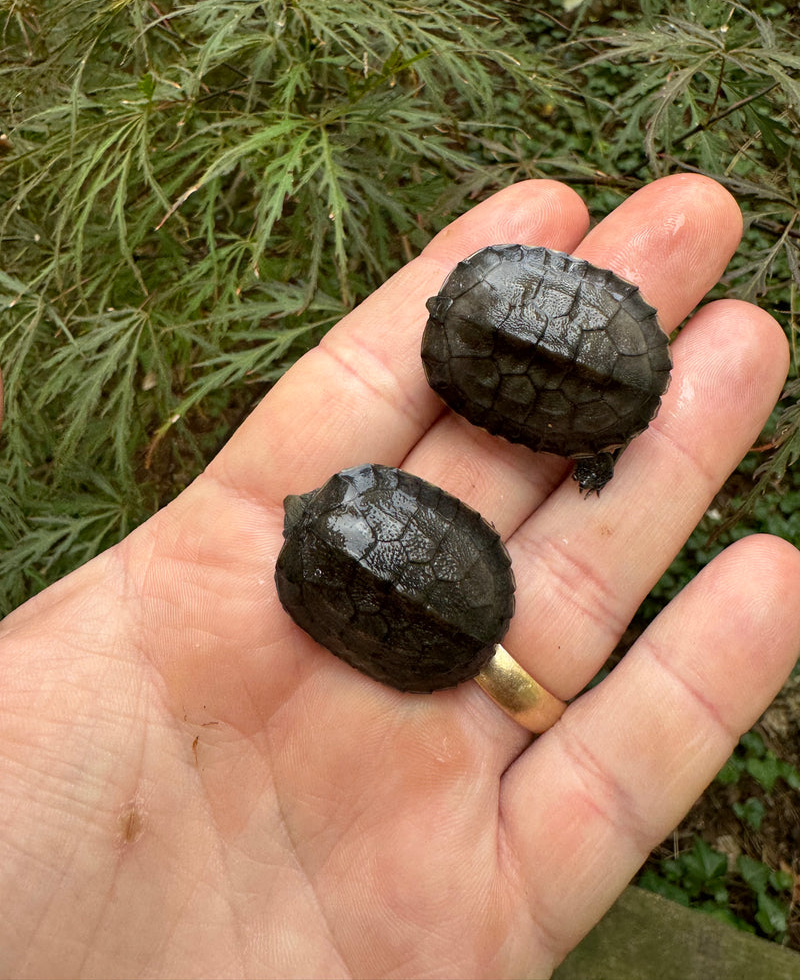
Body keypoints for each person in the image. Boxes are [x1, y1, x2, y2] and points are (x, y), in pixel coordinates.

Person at [1, 175, 799, 979]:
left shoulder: (342, 513)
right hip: (476, 569)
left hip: (496, 538)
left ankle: (598, 444)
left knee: (553, 354)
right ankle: (598, 447)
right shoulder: (358, 493)